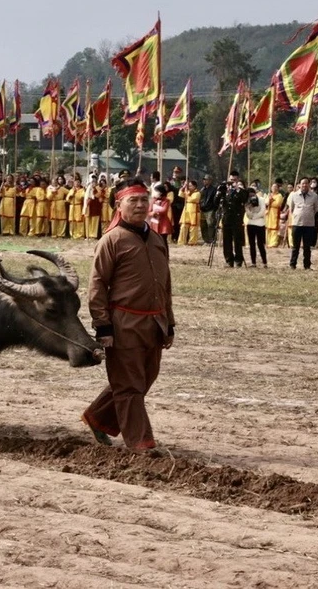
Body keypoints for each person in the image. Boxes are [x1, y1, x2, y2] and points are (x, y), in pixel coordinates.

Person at [82, 178, 174, 455]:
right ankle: (141, 442)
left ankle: (98, 417)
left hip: (155, 322)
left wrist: (169, 323)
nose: (139, 205)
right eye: (132, 200)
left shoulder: (157, 238)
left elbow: (165, 284)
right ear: (118, 205)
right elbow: (97, 284)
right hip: (124, 323)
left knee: (142, 380)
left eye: (144, 199)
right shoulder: (111, 240)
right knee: (130, 385)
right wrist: (103, 326)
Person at [216, 171, 248, 267]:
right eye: (230, 180)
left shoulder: (241, 191)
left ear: (237, 180)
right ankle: (229, 260)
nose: (232, 182)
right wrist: (219, 191)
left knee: (237, 241)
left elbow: (244, 199)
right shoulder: (225, 191)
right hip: (226, 218)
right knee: (227, 241)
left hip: (236, 219)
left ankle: (238, 260)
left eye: (234, 180)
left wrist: (237, 188)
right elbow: (216, 202)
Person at [287, 177, 318, 270]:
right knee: (295, 246)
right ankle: (292, 264)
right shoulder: (294, 195)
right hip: (297, 224)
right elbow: (292, 208)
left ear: (309, 185)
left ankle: (307, 265)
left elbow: (316, 209)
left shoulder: (314, 196)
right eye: (303, 183)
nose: (304, 185)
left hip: (309, 225)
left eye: (306, 183)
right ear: (299, 185)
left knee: (307, 247)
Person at [244, 187, 267, 268]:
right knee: (252, 244)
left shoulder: (261, 199)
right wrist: (248, 207)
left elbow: (263, 211)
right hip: (250, 224)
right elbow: (248, 214)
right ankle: (253, 262)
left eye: (252, 195)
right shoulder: (247, 201)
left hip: (260, 223)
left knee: (261, 244)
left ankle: (264, 262)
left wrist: (254, 217)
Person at [177, 180, 201, 246]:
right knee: (183, 226)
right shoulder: (187, 192)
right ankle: (182, 241)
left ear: (195, 186)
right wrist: (184, 186)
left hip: (194, 211)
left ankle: (192, 242)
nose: (189, 187)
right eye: (189, 186)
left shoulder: (197, 193)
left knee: (193, 227)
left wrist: (187, 195)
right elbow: (180, 194)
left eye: (190, 186)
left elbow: (193, 199)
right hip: (187, 210)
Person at [265, 183, 285, 248]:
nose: (274, 188)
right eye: (273, 186)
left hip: (275, 212)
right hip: (268, 213)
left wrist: (271, 201)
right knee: (268, 228)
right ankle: (268, 242)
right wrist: (268, 201)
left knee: (274, 228)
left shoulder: (279, 195)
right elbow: (265, 203)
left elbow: (277, 204)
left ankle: (273, 242)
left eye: (275, 187)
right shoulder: (269, 195)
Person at [198, 174, 217, 243]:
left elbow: (215, 200)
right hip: (202, 209)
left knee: (210, 224)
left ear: (210, 180)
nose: (204, 181)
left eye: (206, 179)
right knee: (203, 225)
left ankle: (211, 239)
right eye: (204, 179)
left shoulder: (214, 189)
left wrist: (214, 208)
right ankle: (206, 240)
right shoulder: (202, 189)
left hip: (210, 209)